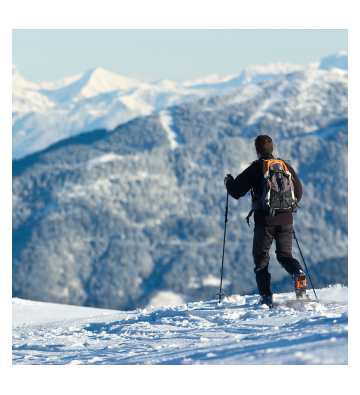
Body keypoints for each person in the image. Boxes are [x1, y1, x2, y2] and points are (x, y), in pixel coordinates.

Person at [224, 135, 305, 308]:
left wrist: (228, 182)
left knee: (261, 260)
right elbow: (298, 193)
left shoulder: (255, 169)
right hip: (286, 220)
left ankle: (267, 297)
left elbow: (236, 192)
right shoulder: (285, 166)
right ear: (273, 149)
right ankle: (298, 272)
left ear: (257, 151)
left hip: (264, 222)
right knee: (285, 255)